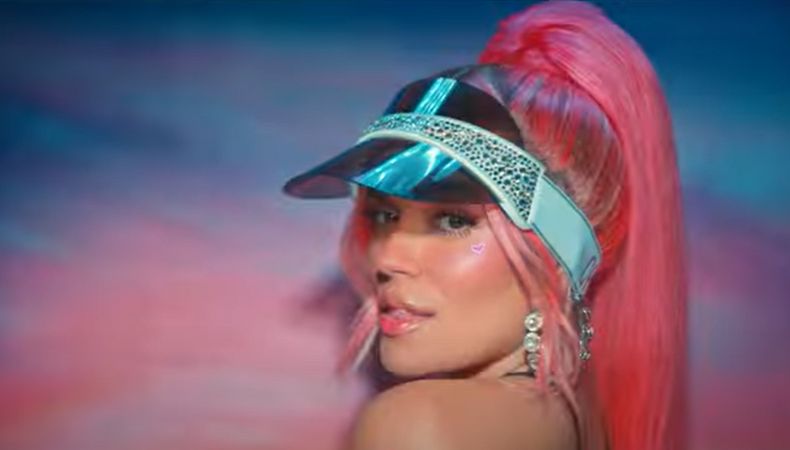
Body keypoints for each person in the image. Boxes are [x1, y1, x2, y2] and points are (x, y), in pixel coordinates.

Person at [282, 1, 687, 449]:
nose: (388, 257)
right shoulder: (576, 423)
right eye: (383, 215)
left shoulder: (420, 425)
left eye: (453, 220)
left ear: (557, 256)